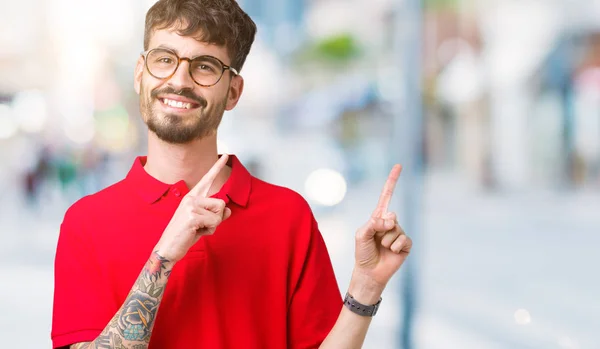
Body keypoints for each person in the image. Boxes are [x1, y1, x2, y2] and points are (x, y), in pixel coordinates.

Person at [51, 0, 413, 348]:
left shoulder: (289, 216)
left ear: (233, 92)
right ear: (140, 74)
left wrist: (366, 285)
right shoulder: (85, 222)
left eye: (205, 66)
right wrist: (163, 257)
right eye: (164, 59)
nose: (180, 80)